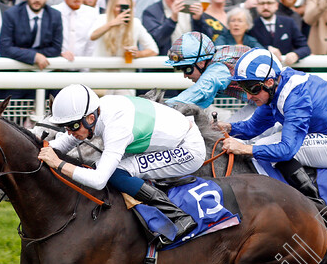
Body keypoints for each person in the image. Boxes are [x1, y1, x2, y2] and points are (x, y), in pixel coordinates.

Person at [37, 84, 206, 243]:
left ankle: (178, 216)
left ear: (90, 118)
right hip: (168, 139)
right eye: (65, 127)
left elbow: (98, 180)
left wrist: (58, 164)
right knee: (98, 165)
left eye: (72, 127)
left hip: (187, 149)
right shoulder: (96, 110)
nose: (69, 133)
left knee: (115, 172)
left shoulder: (116, 126)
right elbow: (63, 143)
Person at [217, 49, 327, 201]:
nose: (248, 96)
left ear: (269, 82)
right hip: (326, 133)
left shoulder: (295, 97)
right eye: (244, 88)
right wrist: (228, 127)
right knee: (264, 144)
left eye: (252, 88)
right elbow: (253, 128)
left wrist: (244, 149)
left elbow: (287, 150)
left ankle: (312, 203)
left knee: (266, 148)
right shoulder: (275, 87)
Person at [90, 0, 157, 95]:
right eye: (118, 6)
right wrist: (112, 24)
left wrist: (138, 54)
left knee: (126, 107)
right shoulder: (102, 19)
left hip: (125, 77)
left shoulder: (135, 23)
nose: (122, 10)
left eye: (126, 6)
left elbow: (153, 50)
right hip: (101, 76)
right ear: (112, 6)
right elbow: (92, 36)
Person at [164, 31, 249, 108]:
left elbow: (200, 90)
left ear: (201, 62)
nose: (185, 75)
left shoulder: (219, 68)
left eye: (186, 69)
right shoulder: (214, 53)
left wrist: (162, 108)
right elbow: (202, 102)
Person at [0, 0, 62, 76]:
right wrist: (33, 56)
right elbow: (5, 48)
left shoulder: (55, 15)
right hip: (16, 74)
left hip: (45, 72)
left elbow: (56, 49)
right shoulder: (11, 14)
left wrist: (30, 53)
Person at [248, 0, 310, 64]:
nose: (266, 7)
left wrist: (296, 54)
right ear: (257, 5)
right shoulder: (251, 26)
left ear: (276, 5)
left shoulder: (288, 22)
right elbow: (247, 48)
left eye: (269, 3)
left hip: (286, 70)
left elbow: (305, 47)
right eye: (262, 3)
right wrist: (266, 49)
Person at [142, 0, 209, 55]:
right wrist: (172, 19)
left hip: (191, 59)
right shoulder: (151, 12)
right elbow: (156, 41)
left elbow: (207, 40)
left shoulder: (192, 9)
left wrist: (198, 20)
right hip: (164, 60)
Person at [54, 0, 99, 64]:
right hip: (56, 66)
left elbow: (90, 45)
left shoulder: (92, 13)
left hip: (82, 67)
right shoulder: (53, 11)